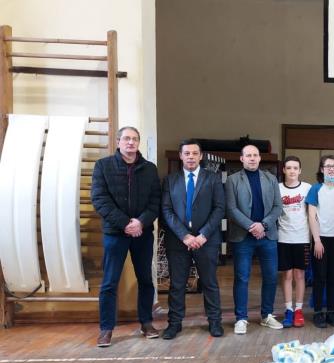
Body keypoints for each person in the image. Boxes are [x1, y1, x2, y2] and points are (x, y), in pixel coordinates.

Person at [90, 126, 161, 347]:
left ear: (138, 142)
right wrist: (126, 224)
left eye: (135, 139)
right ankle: (106, 329)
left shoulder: (150, 169)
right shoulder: (103, 166)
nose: (131, 142)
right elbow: (100, 199)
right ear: (118, 141)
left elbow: (155, 201)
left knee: (146, 280)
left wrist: (140, 222)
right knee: (109, 282)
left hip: (143, 233)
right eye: (127, 139)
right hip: (115, 234)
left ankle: (146, 323)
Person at [160, 139, 225, 339]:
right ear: (180, 156)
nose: (191, 157)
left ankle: (215, 322)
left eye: (195, 153)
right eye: (187, 153)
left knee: (209, 283)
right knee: (177, 284)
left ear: (200, 156)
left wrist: (203, 234)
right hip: (178, 241)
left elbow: (219, 208)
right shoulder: (170, 180)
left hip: (207, 240)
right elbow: (166, 210)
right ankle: (174, 323)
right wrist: (185, 235)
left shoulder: (213, 178)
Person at [226, 144, 283, 335]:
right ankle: (241, 318)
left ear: (259, 158)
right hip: (243, 236)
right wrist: (252, 226)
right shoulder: (233, 180)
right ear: (241, 159)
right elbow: (231, 209)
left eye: (255, 155)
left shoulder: (271, 178)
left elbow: (277, 206)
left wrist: (263, 225)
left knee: (271, 276)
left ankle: (267, 315)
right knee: (242, 277)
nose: (252, 158)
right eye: (248, 155)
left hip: (267, 235)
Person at [306, 155, 334, 328]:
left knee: (333, 277)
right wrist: (316, 240)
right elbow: (311, 216)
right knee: (320, 277)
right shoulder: (315, 189)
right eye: (328, 166)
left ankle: (331, 312)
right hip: (321, 239)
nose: (331, 169)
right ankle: (318, 312)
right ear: (322, 169)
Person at [277, 155, 311, 328]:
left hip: (302, 238)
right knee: (287, 275)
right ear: (284, 170)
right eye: (289, 168)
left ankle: (298, 310)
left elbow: (312, 213)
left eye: (295, 168)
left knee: (299, 274)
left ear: (300, 170)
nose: (292, 171)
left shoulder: (307, 188)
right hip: (283, 237)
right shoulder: (277, 188)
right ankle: (288, 309)